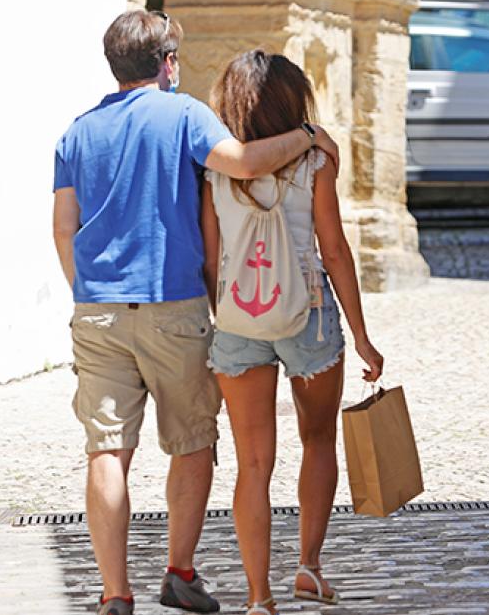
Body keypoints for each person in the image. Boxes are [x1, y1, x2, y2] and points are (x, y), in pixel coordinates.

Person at [52, 10, 342, 615]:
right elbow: (242, 162)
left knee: (107, 451)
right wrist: (310, 137)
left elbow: (62, 228)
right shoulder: (182, 113)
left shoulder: (76, 132)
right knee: (190, 445)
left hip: (97, 310)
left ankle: (114, 592)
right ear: (167, 63)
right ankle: (180, 573)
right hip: (173, 305)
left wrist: (89, 290)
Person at [201, 51, 385, 615]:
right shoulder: (315, 167)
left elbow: (211, 261)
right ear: (292, 102)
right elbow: (334, 251)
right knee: (319, 439)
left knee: (252, 463)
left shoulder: (213, 173)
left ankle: (259, 597)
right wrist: (360, 335)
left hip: (238, 322)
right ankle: (308, 566)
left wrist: (224, 320)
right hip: (309, 317)